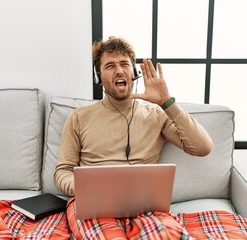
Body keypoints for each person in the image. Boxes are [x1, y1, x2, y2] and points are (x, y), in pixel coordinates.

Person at [54, 36, 214, 239]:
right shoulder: (78, 117)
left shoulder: (156, 114)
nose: (119, 70)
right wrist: (84, 188)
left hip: (146, 205)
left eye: (124, 64)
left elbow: (203, 147)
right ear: (99, 76)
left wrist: (167, 101)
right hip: (95, 204)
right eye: (110, 66)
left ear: (134, 72)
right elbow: (62, 171)